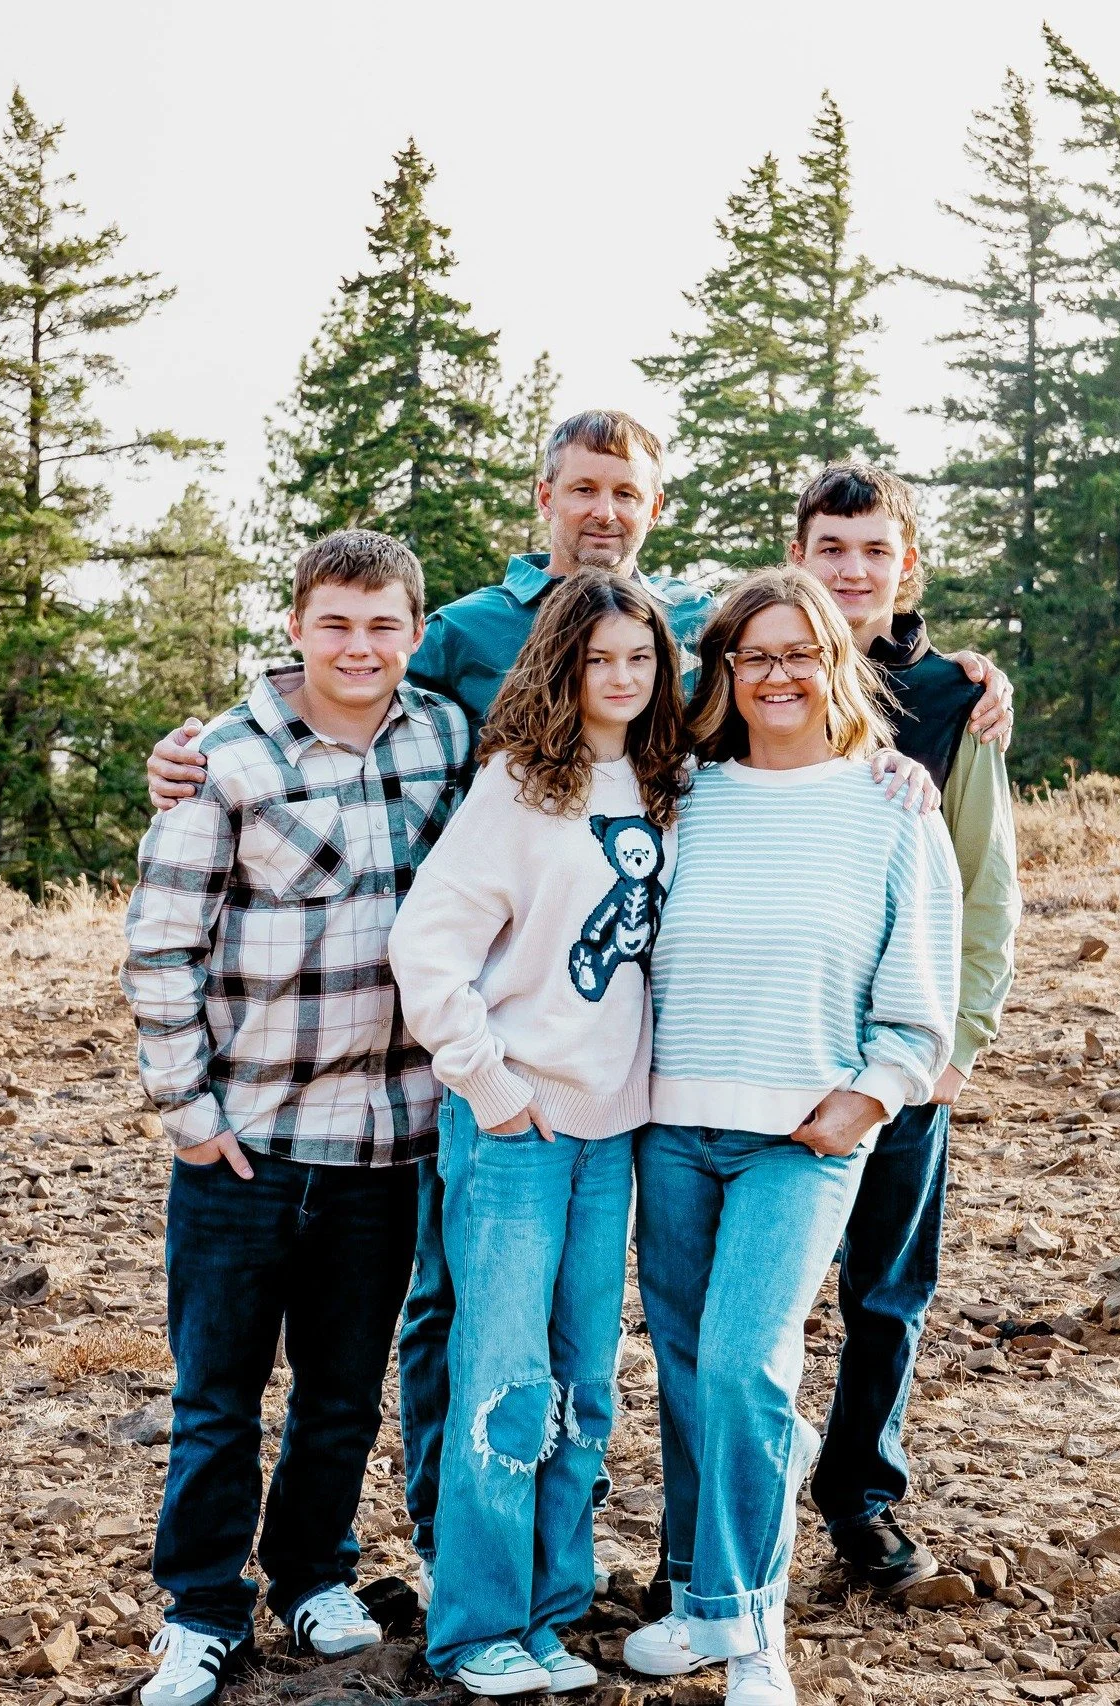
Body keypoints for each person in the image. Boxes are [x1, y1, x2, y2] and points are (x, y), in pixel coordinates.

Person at [139, 412, 978, 1601]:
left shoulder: (688, 644)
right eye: (582, 488)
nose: (603, 510)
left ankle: (568, 1577)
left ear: (654, 507)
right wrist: (204, 743)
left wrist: (932, 711)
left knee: (594, 1353)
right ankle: (455, 1561)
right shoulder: (466, 638)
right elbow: (344, 677)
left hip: (623, 1094)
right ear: (545, 494)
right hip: (464, 1071)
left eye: (624, 492)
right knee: (454, 1321)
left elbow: (800, 678)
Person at [121, 532, 468, 1706]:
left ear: (414, 632)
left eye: (382, 625)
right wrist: (188, 1106)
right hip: (248, 1141)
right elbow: (161, 939)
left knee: (341, 1388)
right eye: (336, 623)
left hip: (387, 1139)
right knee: (217, 1390)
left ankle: (314, 1569)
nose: (359, 646)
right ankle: (201, 1607)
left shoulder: (446, 740)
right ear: (296, 626)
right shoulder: (225, 758)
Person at [622, 568, 961, 1706]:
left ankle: (756, 1626)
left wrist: (867, 1098)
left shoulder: (890, 805)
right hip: (672, 1129)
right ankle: (699, 1598)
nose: (777, 674)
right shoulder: (677, 792)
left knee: (740, 1362)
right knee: (684, 1373)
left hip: (804, 1134)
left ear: (836, 663)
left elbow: (921, 996)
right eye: (752, 655)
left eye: (800, 652)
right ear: (722, 671)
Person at [388, 571, 691, 1695]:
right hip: (515, 1130)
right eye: (599, 658)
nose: (622, 676)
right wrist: (490, 1086)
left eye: (641, 658)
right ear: (563, 665)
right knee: (505, 1381)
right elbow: (428, 947)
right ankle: (474, 1625)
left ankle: (550, 1611)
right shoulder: (519, 788)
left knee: (583, 1384)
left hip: (613, 1133)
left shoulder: (666, 780)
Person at [789, 465, 1022, 1593]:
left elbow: (987, 885)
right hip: (763, 1047)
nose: (852, 570)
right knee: (752, 1294)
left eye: (874, 550)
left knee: (884, 1288)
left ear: (906, 565)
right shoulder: (745, 677)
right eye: (831, 548)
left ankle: (862, 1496)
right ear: (799, 558)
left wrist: (953, 1046)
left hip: (898, 1052)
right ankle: (726, 1508)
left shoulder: (951, 703)